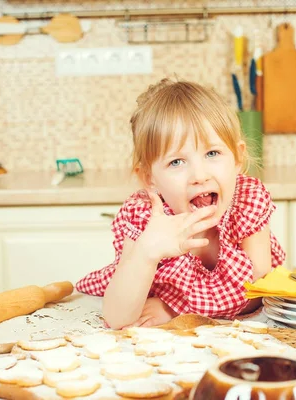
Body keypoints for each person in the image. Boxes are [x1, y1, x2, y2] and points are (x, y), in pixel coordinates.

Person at [76, 77, 285, 329]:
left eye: (212, 153)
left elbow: (255, 297)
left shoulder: (246, 201)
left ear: (237, 158)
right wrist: (147, 252)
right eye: (176, 162)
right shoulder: (144, 216)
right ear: (149, 178)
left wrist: (174, 308)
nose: (199, 176)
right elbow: (117, 318)